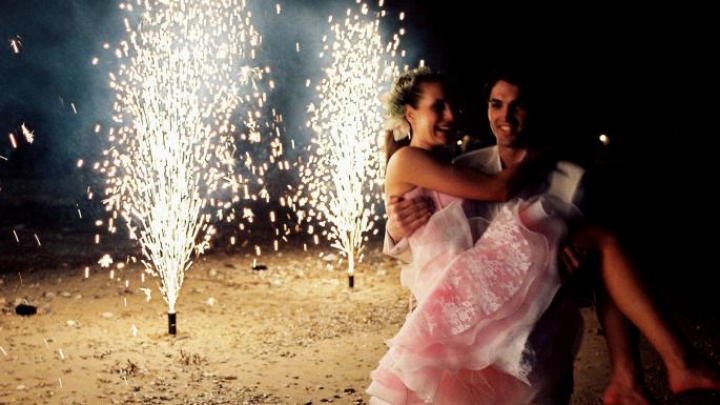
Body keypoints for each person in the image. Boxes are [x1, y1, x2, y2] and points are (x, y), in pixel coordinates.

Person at [381, 66, 720, 405]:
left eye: (453, 105)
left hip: (527, 321)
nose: (452, 116)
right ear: (410, 113)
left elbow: (601, 281)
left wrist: (567, 260)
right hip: (466, 292)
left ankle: (635, 375)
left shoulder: (568, 178)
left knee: (600, 242)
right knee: (599, 239)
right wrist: (395, 229)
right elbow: (494, 192)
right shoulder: (458, 164)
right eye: (496, 105)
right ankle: (660, 367)